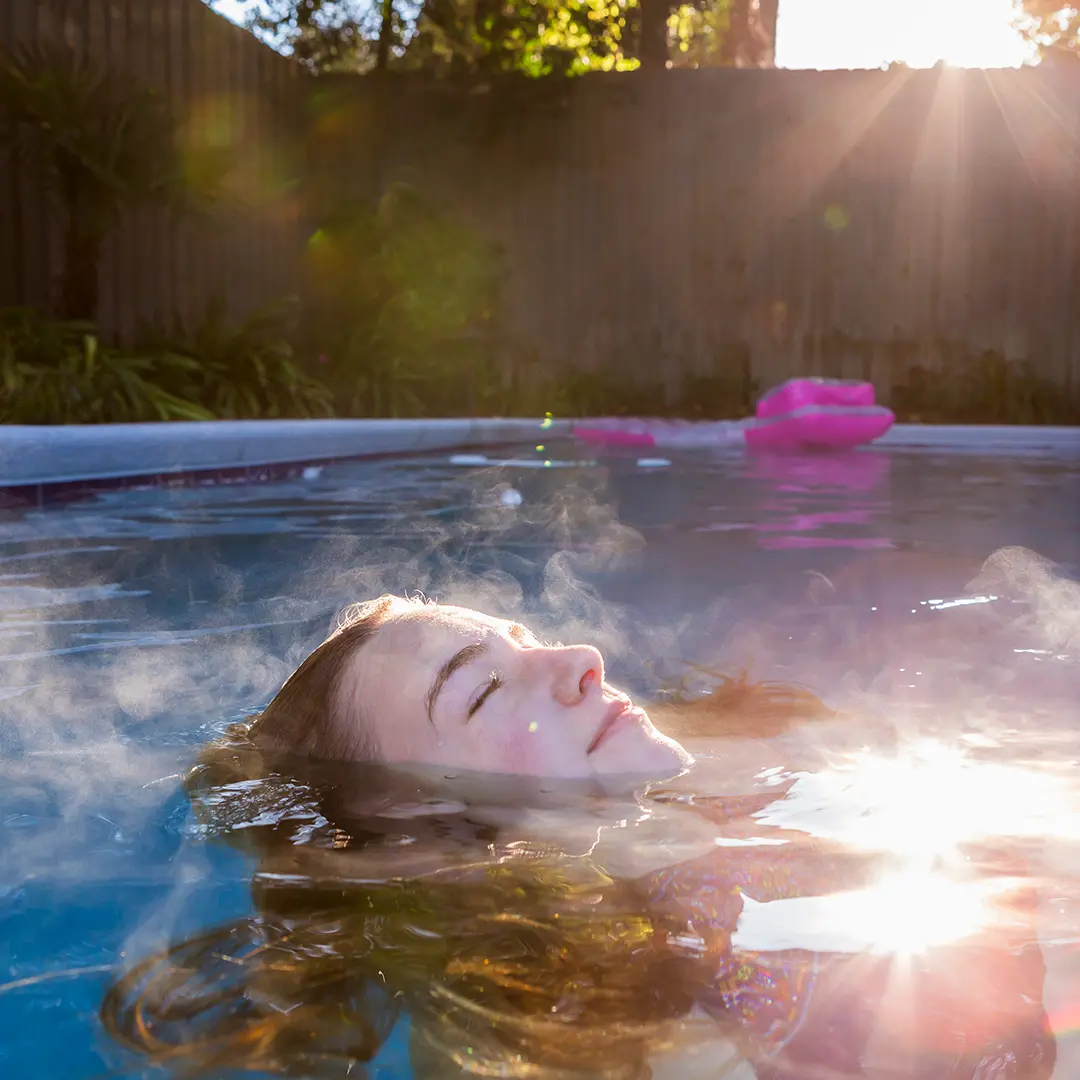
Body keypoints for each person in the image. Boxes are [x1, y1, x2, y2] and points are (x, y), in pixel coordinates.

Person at [101, 595, 1058, 1080]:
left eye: (527, 639)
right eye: (482, 690)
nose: (577, 659)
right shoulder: (539, 1034)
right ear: (416, 842)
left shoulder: (783, 780)